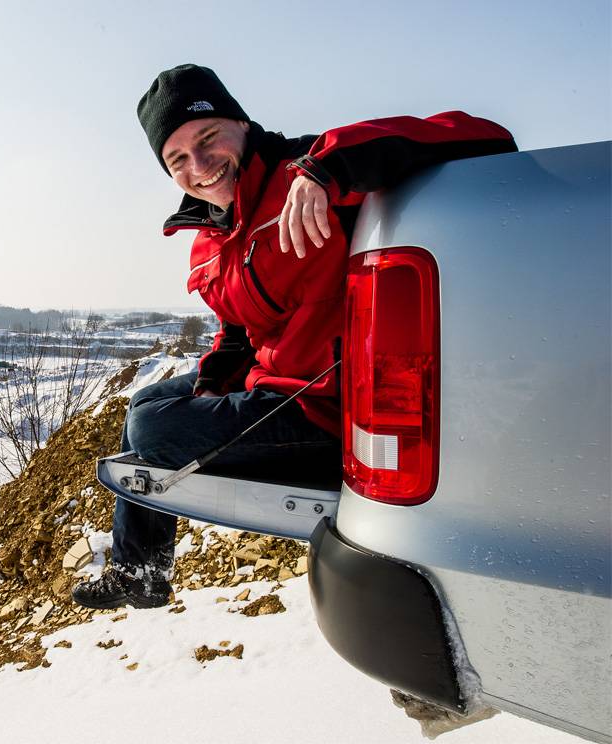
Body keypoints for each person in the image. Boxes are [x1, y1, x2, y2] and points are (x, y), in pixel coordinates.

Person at [71, 64, 515, 610]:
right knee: (149, 401)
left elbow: (485, 136)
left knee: (149, 425)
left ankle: (138, 566)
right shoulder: (213, 235)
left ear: (241, 123)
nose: (200, 166)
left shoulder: (310, 175)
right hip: (275, 390)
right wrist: (211, 382)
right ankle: (138, 570)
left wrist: (326, 169)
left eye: (208, 139)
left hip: (324, 409)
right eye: (177, 159)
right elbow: (241, 330)